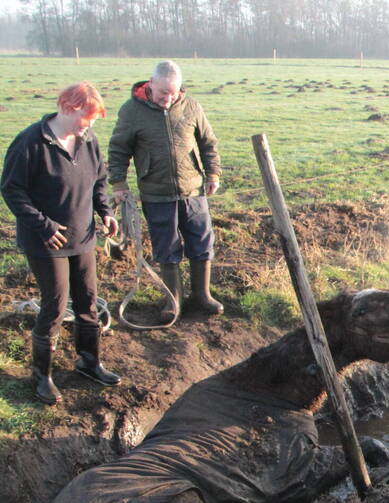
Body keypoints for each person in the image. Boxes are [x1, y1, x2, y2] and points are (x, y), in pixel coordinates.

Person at [1, 83, 123, 405]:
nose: (89, 125)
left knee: (88, 300)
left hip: (83, 236)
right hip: (46, 241)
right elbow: (12, 189)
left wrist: (105, 212)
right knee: (55, 305)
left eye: (93, 121)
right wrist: (44, 226)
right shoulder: (30, 142)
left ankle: (89, 362)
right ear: (68, 108)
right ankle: (42, 375)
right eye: (86, 118)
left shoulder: (88, 140)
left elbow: (99, 180)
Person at [107, 60, 223, 325]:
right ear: (151, 84)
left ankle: (202, 296)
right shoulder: (131, 111)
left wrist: (213, 174)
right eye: (163, 93)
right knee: (166, 246)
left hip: (193, 191)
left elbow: (208, 142)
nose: (168, 99)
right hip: (156, 193)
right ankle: (174, 301)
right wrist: (119, 183)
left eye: (174, 93)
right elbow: (118, 149)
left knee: (201, 242)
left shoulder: (192, 106)